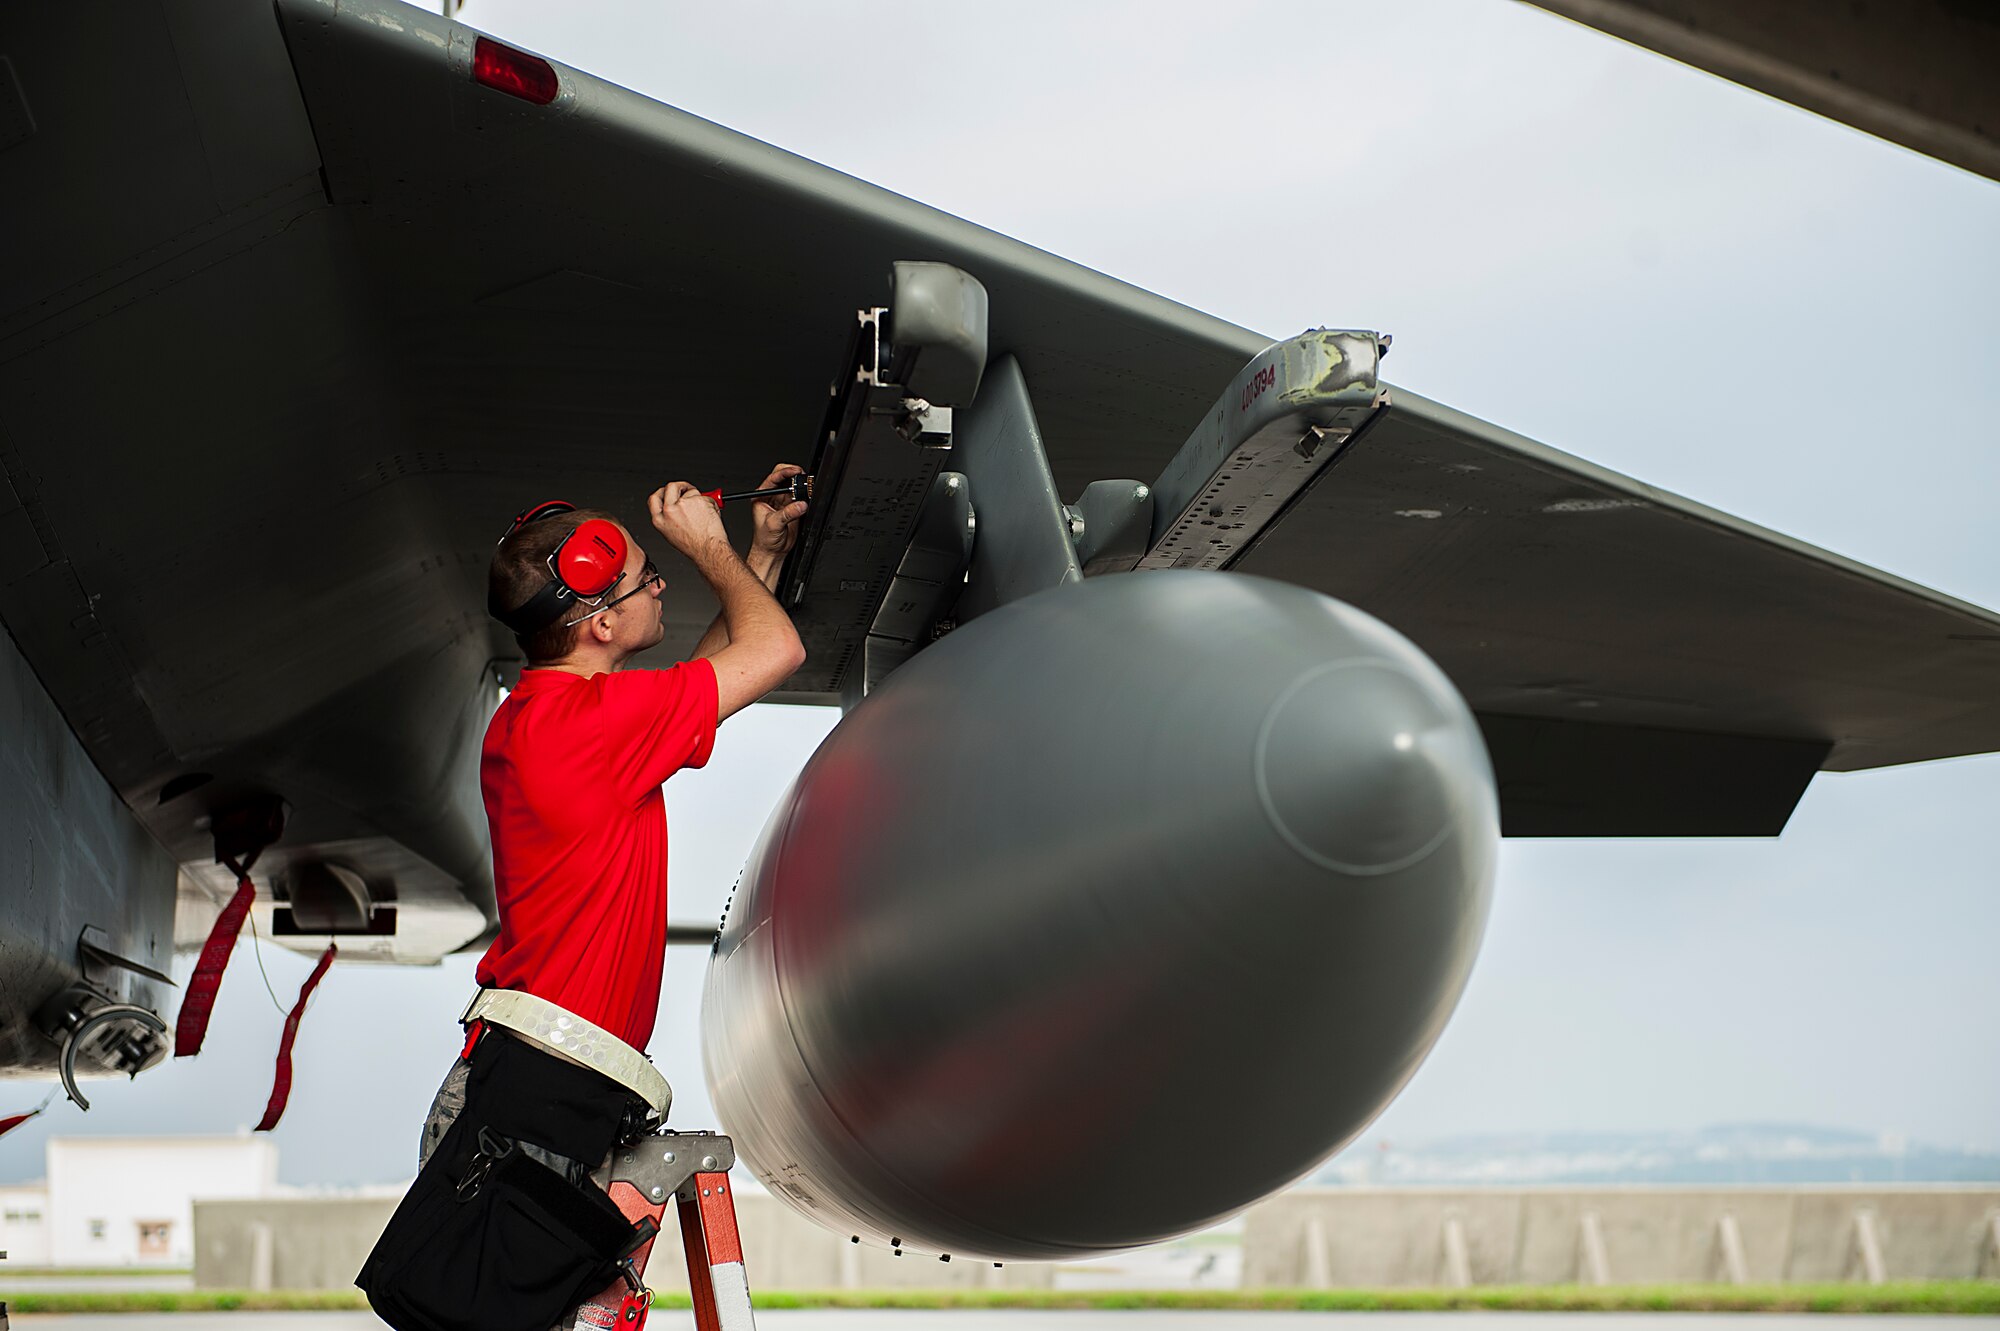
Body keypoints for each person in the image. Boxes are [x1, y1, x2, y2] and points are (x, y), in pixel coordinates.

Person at [371, 465, 806, 1331]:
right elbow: (773, 653)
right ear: (603, 622)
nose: (664, 583)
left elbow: (716, 676)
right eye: (651, 577)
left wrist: (758, 551)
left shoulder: (551, 717)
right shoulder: (594, 726)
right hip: (541, 1098)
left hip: (537, 1086)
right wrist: (716, 549)